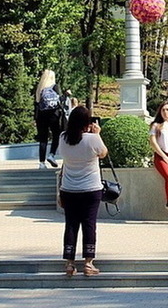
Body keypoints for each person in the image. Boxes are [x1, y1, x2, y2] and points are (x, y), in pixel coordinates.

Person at [58, 105, 109, 277]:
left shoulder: (63, 138)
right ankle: (88, 263)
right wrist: (97, 134)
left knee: (71, 225)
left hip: (69, 188)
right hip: (90, 188)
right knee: (89, 224)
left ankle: (69, 263)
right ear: (87, 122)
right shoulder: (92, 139)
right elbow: (103, 154)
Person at [35, 69, 65, 169]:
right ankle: (51, 155)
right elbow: (60, 100)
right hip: (53, 115)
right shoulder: (55, 87)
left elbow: (37, 103)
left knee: (43, 139)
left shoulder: (40, 88)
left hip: (41, 116)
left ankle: (41, 163)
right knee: (56, 135)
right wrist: (66, 95)